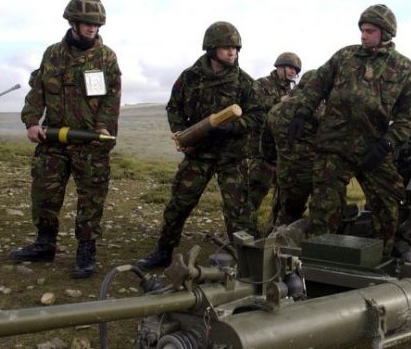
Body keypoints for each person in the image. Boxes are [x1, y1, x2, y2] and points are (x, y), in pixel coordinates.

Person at [289, 4, 411, 255]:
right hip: (334, 144)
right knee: (324, 206)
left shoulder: (403, 68)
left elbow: (408, 116)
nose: (363, 35)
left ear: (385, 33)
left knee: (388, 201)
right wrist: (302, 111)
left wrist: (388, 143)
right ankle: (320, 260)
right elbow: (317, 85)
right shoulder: (344, 57)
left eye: (370, 31)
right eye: (362, 30)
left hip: (374, 147)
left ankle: (383, 256)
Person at [10, 0, 122, 279]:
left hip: (91, 140)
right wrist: (32, 121)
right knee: (45, 193)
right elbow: (37, 91)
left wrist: (104, 128)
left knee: (91, 198)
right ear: (73, 22)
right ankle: (44, 243)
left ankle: (86, 249)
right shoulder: (52, 54)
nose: (91, 28)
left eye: (96, 24)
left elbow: (111, 98)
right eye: (86, 23)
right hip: (54, 138)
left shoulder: (106, 57)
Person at [136, 21, 263, 270]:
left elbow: (258, 115)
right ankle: (163, 251)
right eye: (226, 47)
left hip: (232, 157)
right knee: (179, 204)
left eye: (235, 48)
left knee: (240, 212)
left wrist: (233, 126)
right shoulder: (189, 78)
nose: (232, 52)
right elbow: (174, 107)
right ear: (212, 48)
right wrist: (180, 131)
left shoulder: (245, 83)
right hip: (198, 154)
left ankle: (249, 261)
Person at [242, 52, 301, 233]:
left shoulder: (292, 91)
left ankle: (274, 232)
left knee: (282, 196)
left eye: (295, 70)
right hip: (260, 151)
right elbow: (252, 106)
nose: (292, 72)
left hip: (281, 152)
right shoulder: (261, 84)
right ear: (279, 67)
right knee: (254, 193)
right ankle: (244, 232)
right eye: (290, 67)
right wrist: (278, 101)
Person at [260, 70, 320, 225]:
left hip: (286, 173)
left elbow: (266, 147)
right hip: (316, 173)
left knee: (286, 215)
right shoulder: (321, 110)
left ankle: (273, 244)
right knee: (321, 217)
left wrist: (280, 161)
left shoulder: (275, 110)